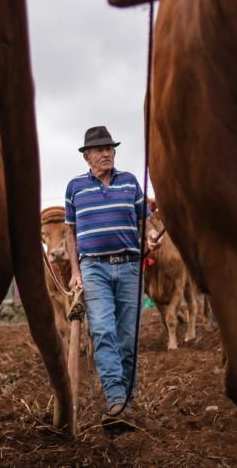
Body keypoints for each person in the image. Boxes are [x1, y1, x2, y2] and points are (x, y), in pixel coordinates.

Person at [65, 125, 147, 419]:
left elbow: (143, 223)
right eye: (99, 149)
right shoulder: (75, 188)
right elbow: (70, 234)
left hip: (129, 266)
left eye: (110, 148)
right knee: (102, 330)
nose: (106, 153)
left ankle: (126, 399)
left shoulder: (130, 183)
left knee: (127, 337)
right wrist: (75, 271)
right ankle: (115, 398)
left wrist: (148, 239)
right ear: (87, 157)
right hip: (93, 268)